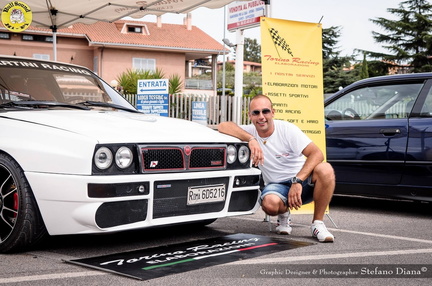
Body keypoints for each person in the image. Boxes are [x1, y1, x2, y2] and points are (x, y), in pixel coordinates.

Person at [218, 94, 335, 242]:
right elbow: (223, 126)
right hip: (277, 186)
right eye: (256, 112)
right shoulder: (250, 132)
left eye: (265, 111)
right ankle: (284, 214)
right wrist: (251, 139)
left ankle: (317, 224)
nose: (261, 116)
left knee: (326, 169)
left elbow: (317, 154)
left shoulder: (287, 129)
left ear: (273, 112)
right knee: (270, 205)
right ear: (250, 116)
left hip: (301, 183)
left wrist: (297, 181)